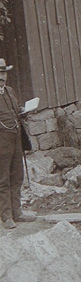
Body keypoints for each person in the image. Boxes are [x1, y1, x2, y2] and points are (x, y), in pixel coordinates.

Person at [0, 58, 33, 229]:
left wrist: (23, 112)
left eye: (3, 73)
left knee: (17, 176)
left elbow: (17, 108)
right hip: (1, 142)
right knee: (3, 179)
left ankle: (17, 211)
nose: (1, 77)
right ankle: (6, 216)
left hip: (15, 139)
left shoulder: (10, 91)